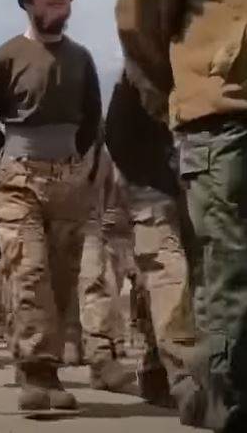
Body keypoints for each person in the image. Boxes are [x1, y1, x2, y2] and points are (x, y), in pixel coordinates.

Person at [114, 0, 247, 429]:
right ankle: (222, 400)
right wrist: (189, 89)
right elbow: (140, 8)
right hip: (223, 111)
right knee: (227, 269)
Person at [0, 0, 102, 411]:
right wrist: (9, 161)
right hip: (18, 178)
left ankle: (47, 365)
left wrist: (73, 162)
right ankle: (36, 372)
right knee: (30, 270)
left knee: (62, 279)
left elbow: (92, 122)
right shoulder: (7, 56)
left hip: (68, 180)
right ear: (28, 1)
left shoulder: (81, 58)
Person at [78, 143, 138, 393]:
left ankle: (101, 357)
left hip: (86, 219)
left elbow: (108, 192)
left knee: (96, 279)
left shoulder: (100, 151)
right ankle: (34, 364)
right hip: (35, 206)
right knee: (37, 283)